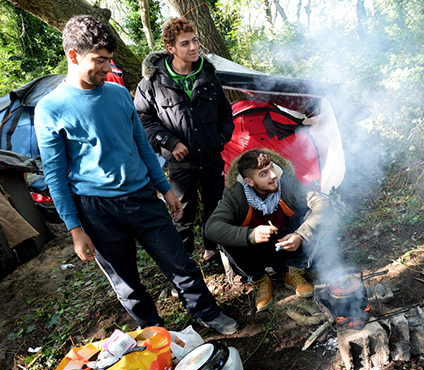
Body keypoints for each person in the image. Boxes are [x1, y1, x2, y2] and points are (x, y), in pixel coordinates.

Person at [34, 15, 237, 335]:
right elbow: (56, 176)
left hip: (142, 196)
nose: (107, 67)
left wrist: (165, 189)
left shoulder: (117, 95)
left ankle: (207, 312)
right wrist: (75, 229)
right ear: (73, 56)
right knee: (126, 282)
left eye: (109, 60)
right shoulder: (50, 108)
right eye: (99, 61)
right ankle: (155, 334)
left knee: (180, 263)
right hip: (97, 210)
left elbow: (143, 146)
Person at [134, 17, 234, 261]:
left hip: (212, 158)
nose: (193, 47)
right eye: (185, 43)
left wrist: (220, 139)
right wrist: (169, 142)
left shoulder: (209, 76)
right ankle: (185, 262)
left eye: (195, 40)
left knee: (215, 208)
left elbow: (226, 114)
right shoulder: (152, 82)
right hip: (181, 163)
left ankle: (214, 250)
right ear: (170, 49)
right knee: (182, 212)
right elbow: (142, 119)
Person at [205, 148, 332, 311]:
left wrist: (300, 235)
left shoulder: (286, 183)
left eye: (272, 168)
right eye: (263, 174)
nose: (273, 175)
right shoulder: (235, 194)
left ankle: (294, 270)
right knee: (225, 237)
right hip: (256, 252)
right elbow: (211, 228)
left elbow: (323, 203)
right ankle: (260, 279)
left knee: (311, 215)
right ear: (249, 182)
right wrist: (250, 234)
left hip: (289, 243)